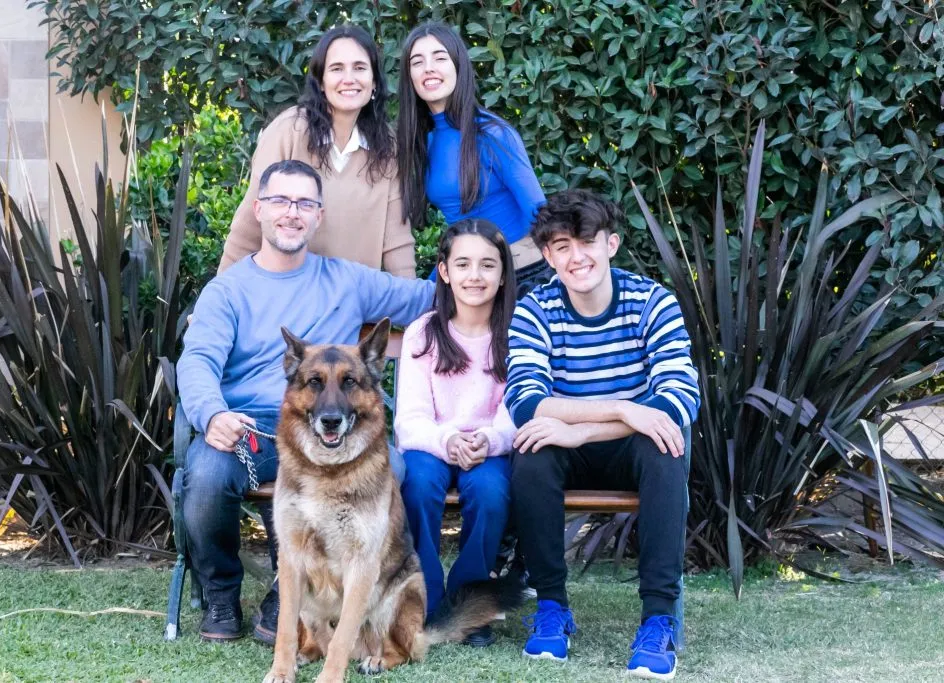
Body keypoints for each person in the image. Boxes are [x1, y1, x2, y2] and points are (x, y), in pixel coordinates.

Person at [177, 160, 433, 645]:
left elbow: (427, 297)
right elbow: (197, 361)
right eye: (279, 201)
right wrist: (212, 413)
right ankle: (221, 592)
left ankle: (289, 592)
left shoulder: (348, 280)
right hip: (249, 431)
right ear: (259, 210)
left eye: (304, 204)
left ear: (318, 216)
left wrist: (483, 274)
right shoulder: (227, 290)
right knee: (207, 478)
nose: (291, 213)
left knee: (392, 471)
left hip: (330, 429)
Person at [505, 190, 700, 679]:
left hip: (630, 449)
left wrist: (583, 429)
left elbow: (678, 399)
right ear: (548, 256)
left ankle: (659, 619)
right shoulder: (534, 311)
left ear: (611, 244)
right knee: (532, 451)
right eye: (562, 246)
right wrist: (622, 408)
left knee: (664, 444)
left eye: (587, 241)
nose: (577, 257)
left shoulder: (652, 302)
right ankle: (551, 607)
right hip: (576, 444)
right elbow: (527, 403)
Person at [395, 218, 517, 649]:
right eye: (462, 264)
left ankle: (470, 600)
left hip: (490, 448)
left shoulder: (516, 334)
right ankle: (427, 597)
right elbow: (409, 419)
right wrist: (447, 440)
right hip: (431, 444)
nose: (475, 276)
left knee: (489, 491)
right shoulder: (423, 333)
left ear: (503, 274)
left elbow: (518, 408)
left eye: (487, 265)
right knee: (417, 482)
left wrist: (489, 440)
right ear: (444, 272)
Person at [220, 25, 416, 277]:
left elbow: (397, 239)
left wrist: (417, 312)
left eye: (359, 68)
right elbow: (249, 226)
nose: (349, 78)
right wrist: (217, 305)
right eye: (336, 69)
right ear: (321, 82)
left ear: (374, 81)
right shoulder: (288, 131)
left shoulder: (386, 145)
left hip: (355, 307)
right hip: (286, 303)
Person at [396, 22, 551, 297]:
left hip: (523, 279)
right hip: (473, 277)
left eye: (440, 58)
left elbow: (540, 216)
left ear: (458, 65)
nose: (429, 68)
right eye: (417, 62)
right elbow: (461, 225)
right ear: (409, 76)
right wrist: (427, 291)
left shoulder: (493, 133)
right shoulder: (426, 142)